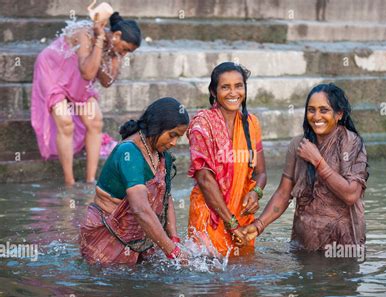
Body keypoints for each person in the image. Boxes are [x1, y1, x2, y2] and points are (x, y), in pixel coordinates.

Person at [235, 83, 369, 255]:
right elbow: (284, 194)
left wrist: (318, 161)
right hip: (304, 246)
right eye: (311, 110)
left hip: (343, 249)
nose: (316, 116)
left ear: (339, 114)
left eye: (324, 110)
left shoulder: (351, 143)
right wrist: (258, 226)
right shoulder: (298, 145)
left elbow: (351, 195)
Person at [31, 12, 141, 185]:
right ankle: (70, 182)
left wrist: (115, 56)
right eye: (125, 49)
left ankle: (91, 180)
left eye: (129, 52)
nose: (125, 54)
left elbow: (106, 81)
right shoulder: (85, 33)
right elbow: (88, 72)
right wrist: (99, 40)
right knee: (66, 122)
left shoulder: (115, 50)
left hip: (77, 79)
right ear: (117, 35)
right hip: (52, 70)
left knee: (95, 121)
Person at [80, 98, 189, 265]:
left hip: (142, 240)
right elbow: (140, 210)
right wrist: (172, 251)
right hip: (107, 241)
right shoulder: (129, 153)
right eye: (172, 135)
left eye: (178, 137)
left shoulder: (162, 155)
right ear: (156, 126)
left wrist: (174, 238)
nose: (174, 143)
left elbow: (166, 198)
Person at [187, 62, 267, 256]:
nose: (233, 93)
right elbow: (205, 179)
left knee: (243, 278)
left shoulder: (251, 123)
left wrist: (256, 192)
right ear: (213, 92)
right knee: (211, 277)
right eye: (225, 87)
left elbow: (261, 172)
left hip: (242, 219)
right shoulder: (202, 125)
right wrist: (231, 224)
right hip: (211, 218)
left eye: (238, 86)